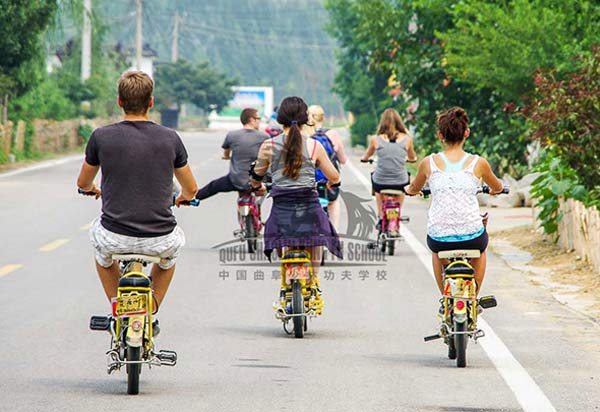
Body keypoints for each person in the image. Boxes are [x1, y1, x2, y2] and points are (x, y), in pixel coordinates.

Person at [77, 70, 199, 314]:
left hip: (114, 235)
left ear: (120, 102)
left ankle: (117, 305)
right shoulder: (170, 138)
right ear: (151, 102)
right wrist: (185, 197)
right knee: (168, 262)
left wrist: (92, 189)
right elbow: (191, 188)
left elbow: (83, 183)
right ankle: (151, 308)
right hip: (160, 237)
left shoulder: (101, 137)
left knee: (102, 256)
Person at [404, 106, 503, 297]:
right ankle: (473, 297)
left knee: (436, 253)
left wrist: (409, 190)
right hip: (472, 236)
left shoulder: (428, 163)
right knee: (481, 249)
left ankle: (445, 298)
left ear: (441, 135)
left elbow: (414, 188)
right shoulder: (479, 163)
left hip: (439, 239)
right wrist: (494, 190)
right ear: (467, 133)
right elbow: (497, 187)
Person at [249, 96, 342, 296]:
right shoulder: (314, 146)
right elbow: (334, 176)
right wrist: (331, 182)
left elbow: (256, 175)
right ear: (305, 119)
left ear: (280, 118)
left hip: (282, 209)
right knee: (316, 240)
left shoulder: (268, 145)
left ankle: (287, 275)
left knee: (282, 238)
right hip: (309, 207)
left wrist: (257, 185)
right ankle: (314, 280)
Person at [360, 108, 417, 229]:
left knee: (376, 185)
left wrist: (364, 158)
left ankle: (381, 217)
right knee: (404, 184)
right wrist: (410, 159)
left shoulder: (376, 139)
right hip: (400, 182)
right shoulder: (407, 139)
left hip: (381, 182)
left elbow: (367, 156)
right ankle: (396, 213)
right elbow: (412, 158)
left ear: (383, 122)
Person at [196, 108, 268, 200]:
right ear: (252, 119)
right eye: (258, 119)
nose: (259, 121)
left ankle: (191, 199)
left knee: (213, 186)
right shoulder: (264, 137)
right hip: (257, 182)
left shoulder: (232, 135)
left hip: (235, 180)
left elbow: (226, 152)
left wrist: (226, 157)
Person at [304, 105, 347, 230]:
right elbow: (343, 160)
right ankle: (335, 232)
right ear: (323, 118)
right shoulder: (332, 134)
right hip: (327, 179)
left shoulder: (304, 134)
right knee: (333, 202)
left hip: (308, 180)